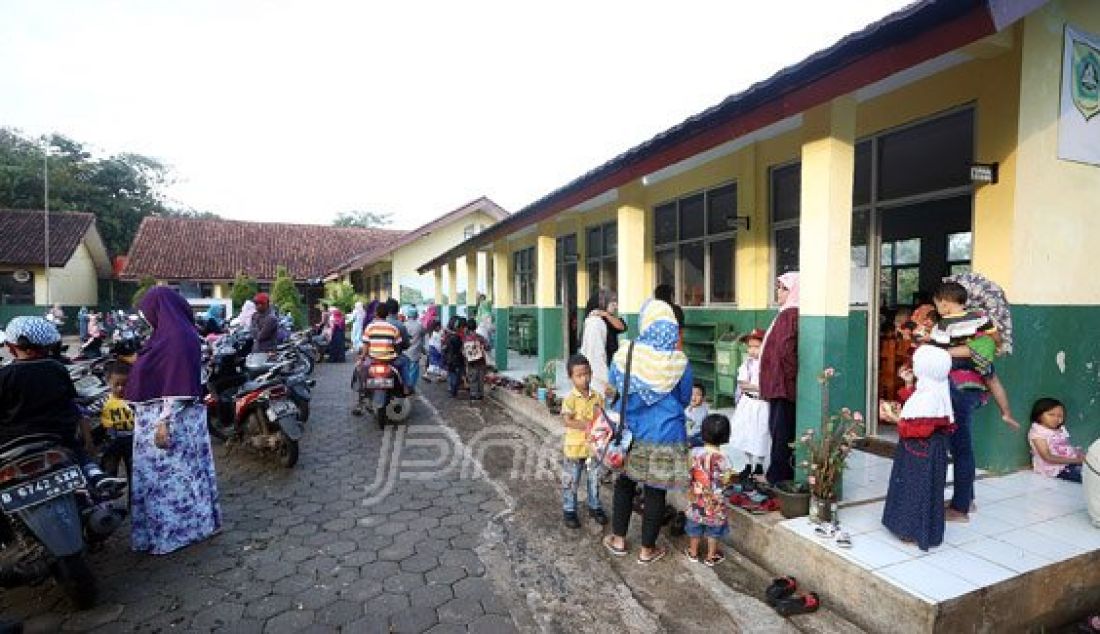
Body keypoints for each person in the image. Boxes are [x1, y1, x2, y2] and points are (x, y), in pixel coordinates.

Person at [125, 287, 220, 555]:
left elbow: (176, 383)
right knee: (183, 477)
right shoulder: (171, 335)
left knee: (172, 479)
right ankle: (189, 527)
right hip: (169, 418)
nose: (146, 318)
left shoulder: (176, 337)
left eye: (147, 312)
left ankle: (176, 534)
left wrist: (164, 422)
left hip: (169, 421)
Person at [602, 299, 693, 565]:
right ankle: (647, 550)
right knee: (655, 491)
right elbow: (685, 398)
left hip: (630, 433)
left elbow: (612, 389)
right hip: (665, 435)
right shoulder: (680, 363)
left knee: (625, 484)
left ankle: (618, 540)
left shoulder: (625, 353)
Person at [930, 281, 1019, 522]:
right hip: (977, 390)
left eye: (937, 304)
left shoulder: (943, 325)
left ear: (944, 304)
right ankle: (966, 499)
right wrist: (1006, 412)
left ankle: (959, 510)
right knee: (963, 448)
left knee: (960, 449)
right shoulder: (981, 317)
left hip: (956, 390)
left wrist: (947, 350)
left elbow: (935, 353)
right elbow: (996, 340)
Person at [0, 317, 119, 493]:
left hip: (12, 442)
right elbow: (70, 402)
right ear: (48, 346)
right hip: (56, 435)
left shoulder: (5, 374)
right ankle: (95, 474)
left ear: (10, 347)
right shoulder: (57, 368)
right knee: (78, 451)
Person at [881, 345, 955, 551]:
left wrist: (893, 416)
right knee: (923, 486)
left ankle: (911, 529)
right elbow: (917, 405)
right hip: (929, 448)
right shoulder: (936, 387)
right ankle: (917, 527)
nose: (913, 366)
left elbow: (912, 428)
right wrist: (908, 383)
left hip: (920, 450)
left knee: (915, 487)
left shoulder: (928, 396)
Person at [761, 272, 800, 485]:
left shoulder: (790, 314)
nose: (779, 291)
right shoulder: (785, 313)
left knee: (781, 432)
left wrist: (791, 379)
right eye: (779, 287)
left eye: (784, 288)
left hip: (783, 385)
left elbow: (786, 352)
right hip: (779, 384)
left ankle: (778, 477)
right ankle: (776, 474)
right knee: (778, 430)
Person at [560, 354, 607, 528]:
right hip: (574, 449)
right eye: (579, 375)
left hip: (593, 449)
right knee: (571, 481)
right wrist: (585, 425)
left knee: (594, 479)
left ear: (591, 373)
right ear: (571, 377)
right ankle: (569, 510)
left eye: (586, 374)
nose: (584, 378)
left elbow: (602, 418)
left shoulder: (597, 397)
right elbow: (566, 420)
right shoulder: (570, 398)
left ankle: (595, 506)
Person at [684, 414, 735, 566]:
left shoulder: (694, 453)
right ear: (726, 436)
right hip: (715, 504)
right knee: (714, 531)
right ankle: (711, 556)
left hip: (696, 500)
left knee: (694, 528)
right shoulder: (725, 459)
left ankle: (693, 553)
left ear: (703, 433)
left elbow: (688, 473)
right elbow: (726, 481)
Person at [729, 329, 771, 479]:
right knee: (744, 432)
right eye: (750, 346)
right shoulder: (746, 363)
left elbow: (768, 386)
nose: (752, 350)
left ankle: (759, 465)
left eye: (756, 346)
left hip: (762, 404)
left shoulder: (768, 365)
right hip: (747, 401)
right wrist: (756, 387)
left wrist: (757, 387)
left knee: (760, 433)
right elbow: (743, 384)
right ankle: (748, 463)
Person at [579, 288, 627, 394]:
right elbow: (596, 356)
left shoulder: (607, 318)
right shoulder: (595, 323)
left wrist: (605, 314)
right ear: (603, 303)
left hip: (604, 369)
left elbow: (622, 327)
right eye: (612, 302)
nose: (616, 305)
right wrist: (606, 379)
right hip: (599, 375)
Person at [1028, 398, 1083, 483]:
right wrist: (1076, 460)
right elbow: (1047, 457)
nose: (1056, 418)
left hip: (1069, 462)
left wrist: (1078, 455)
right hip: (1055, 469)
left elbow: (1065, 446)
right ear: (1039, 414)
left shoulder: (1059, 429)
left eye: (1060, 416)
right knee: (1088, 476)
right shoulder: (1038, 433)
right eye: (1051, 415)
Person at [99, 362, 135, 483]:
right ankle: (107, 496)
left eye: (125, 384)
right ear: (108, 383)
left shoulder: (134, 400)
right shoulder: (104, 400)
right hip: (111, 441)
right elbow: (85, 413)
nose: (121, 388)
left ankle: (135, 500)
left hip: (132, 440)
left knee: (135, 473)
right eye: (117, 384)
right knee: (109, 471)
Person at [462, 317, 489, 400]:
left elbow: (463, 351)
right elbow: (487, 347)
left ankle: (474, 393)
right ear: (476, 326)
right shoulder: (480, 338)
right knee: (481, 376)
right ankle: (480, 394)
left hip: (470, 362)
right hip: (481, 361)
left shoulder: (465, 338)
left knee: (473, 377)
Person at [402, 306, 425, 393]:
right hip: (415, 352)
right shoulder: (419, 326)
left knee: (405, 370)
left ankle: (405, 386)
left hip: (405, 352)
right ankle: (411, 387)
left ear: (408, 315)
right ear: (416, 316)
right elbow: (423, 335)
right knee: (414, 371)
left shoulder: (403, 325)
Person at [444, 316, 467, 398]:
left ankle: (452, 390)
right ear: (459, 328)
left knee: (451, 375)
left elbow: (446, 349)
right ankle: (454, 391)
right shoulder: (457, 338)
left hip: (450, 359)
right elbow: (460, 350)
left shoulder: (449, 336)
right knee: (456, 377)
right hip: (457, 359)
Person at [684, 383, 708, 448]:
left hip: (697, 436)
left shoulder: (702, 410)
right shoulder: (687, 407)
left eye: (697, 394)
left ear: (703, 398)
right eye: (692, 394)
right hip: (688, 434)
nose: (694, 397)